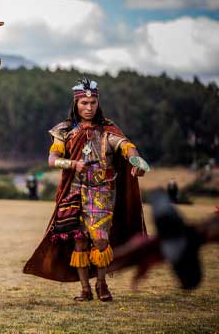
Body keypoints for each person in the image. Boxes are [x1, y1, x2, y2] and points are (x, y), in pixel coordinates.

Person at [23, 78, 147, 302]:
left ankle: (101, 284)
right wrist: (71, 164)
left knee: (100, 241)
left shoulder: (108, 130)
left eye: (93, 103)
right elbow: (52, 159)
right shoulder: (64, 130)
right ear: (76, 105)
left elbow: (128, 147)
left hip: (102, 194)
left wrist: (137, 161)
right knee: (78, 241)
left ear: (98, 103)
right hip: (72, 193)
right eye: (84, 103)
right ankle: (84, 289)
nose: (89, 108)